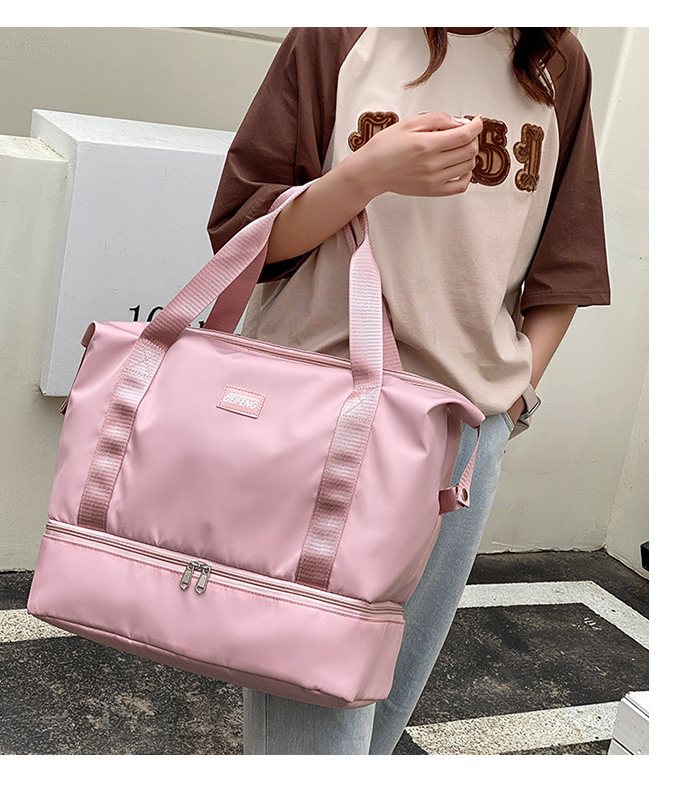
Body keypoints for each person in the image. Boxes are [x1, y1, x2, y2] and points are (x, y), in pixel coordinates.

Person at [207, 27, 610, 755]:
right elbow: (246, 233)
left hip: (463, 438)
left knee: (384, 714)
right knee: (317, 731)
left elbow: (565, 263)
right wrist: (365, 175)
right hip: (325, 415)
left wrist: (512, 403)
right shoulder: (338, 33)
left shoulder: (554, 58)